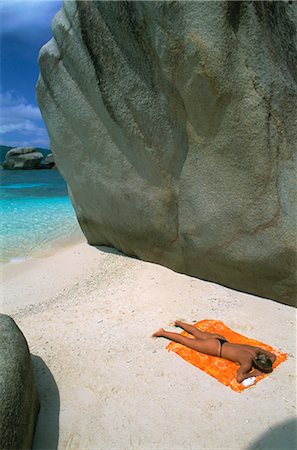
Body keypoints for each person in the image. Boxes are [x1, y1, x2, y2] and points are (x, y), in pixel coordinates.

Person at [152, 320, 276, 383]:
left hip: (221, 340)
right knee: (184, 340)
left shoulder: (256, 350)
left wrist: (268, 362)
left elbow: (273, 356)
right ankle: (163, 333)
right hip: (215, 348)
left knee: (197, 332)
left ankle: (179, 323)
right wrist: (255, 373)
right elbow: (239, 378)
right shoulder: (247, 363)